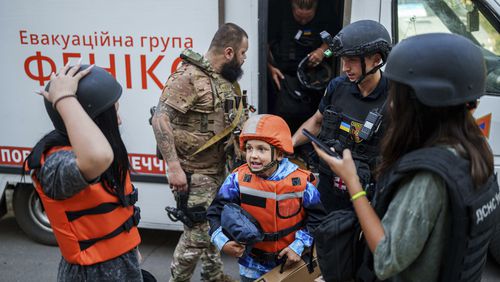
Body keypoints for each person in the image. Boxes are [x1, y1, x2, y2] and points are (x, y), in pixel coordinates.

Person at [314, 33, 500, 281]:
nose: (391, 105)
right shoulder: (476, 150)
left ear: (421, 103)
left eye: (396, 96)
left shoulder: (427, 178)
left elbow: (385, 258)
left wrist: (352, 183)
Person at [24, 63, 143, 281]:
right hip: (91, 274)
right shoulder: (56, 164)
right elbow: (98, 157)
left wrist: (130, 250)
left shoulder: (88, 153)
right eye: (112, 113)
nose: (119, 120)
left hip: (123, 265)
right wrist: (64, 98)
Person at [151, 23, 248, 282]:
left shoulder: (222, 81)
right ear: (229, 52)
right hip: (193, 172)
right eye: (242, 53)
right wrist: (173, 167)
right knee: (196, 237)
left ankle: (213, 276)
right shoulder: (189, 77)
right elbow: (160, 119)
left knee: (212, 227)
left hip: (218, 169)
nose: (244, 59)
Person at [206, 114, 326, 282]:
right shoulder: (237, 179)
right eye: (249, 148)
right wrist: (223, 242)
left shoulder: (301, 183)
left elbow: (318, 219)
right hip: (250, 266)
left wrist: (298, 246)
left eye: (261, 149)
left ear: (278, 154)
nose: (253, 155)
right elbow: (214, 213)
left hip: (290, 263)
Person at [292, 20, 392, 212]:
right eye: (344, 60)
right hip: (330, 189)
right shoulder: (337, 86)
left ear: (376, 59)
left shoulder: (395, 97)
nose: (345, 67)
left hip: (369, 197)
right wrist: (289, 143)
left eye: (352, 60)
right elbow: (316, 121)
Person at [267, 0, 338, 134]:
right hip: (283, 76)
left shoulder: (326, 15)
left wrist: (323, 52)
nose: (303, 22)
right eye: (299, 17)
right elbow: (263, 44)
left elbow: (335, 49)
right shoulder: (279, 14)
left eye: (308, 18)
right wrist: (269, 67)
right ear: (292, 7)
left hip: (314, 79)